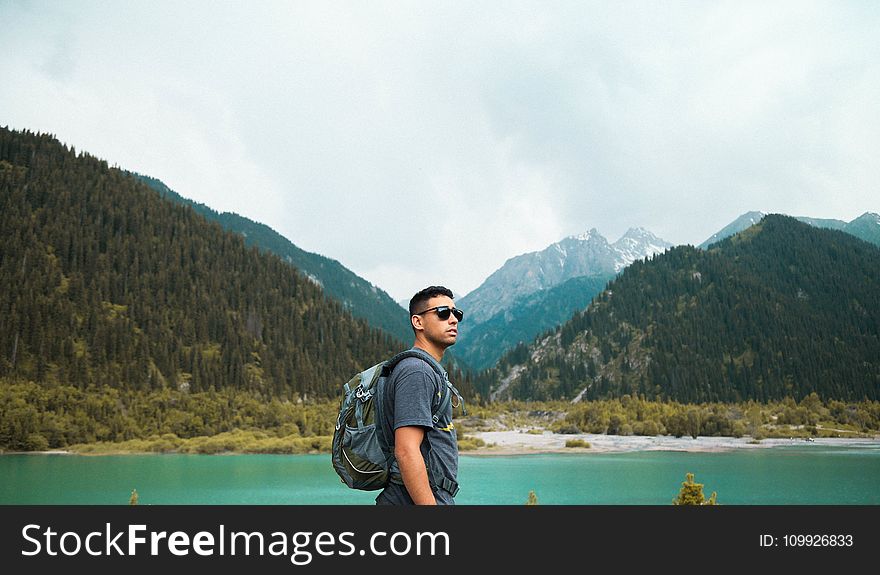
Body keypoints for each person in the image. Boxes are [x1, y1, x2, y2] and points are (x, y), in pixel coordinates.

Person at [375, 285, 463, 505]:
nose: (453, 319)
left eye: (456, 313)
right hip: (414, 499)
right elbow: (406, 449)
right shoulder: (418, 371)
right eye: (443, 313)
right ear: (418, 322)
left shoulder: (423, 369)